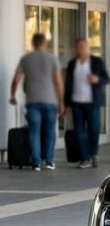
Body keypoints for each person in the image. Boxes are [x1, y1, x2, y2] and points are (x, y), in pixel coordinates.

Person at [9, 32, 64, 171]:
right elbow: (58, 82)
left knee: (34, 131)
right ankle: (50, 161)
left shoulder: (26, 58)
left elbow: (16, 79)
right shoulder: (52, 59)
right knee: (50, 131)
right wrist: (61, 101)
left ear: (33, 43)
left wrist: (13, 95)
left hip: (32, 101)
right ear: (45, 43)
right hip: (50, 101)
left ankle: (36, 163)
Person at [64, 37, 110, 169]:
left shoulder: (96, 62)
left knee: (94, 129)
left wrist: (97, 79)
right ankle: (85, 158)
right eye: (78, 47)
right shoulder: (73, 63)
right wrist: (66, 104)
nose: (80, 49)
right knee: (80, 131)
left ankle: (94, 154)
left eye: (83, 47)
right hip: (76, 102)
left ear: (88, 47)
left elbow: (106, 78)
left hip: (92, 102)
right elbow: (68, 84)